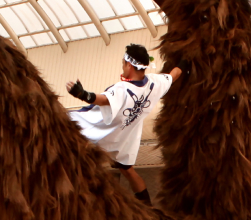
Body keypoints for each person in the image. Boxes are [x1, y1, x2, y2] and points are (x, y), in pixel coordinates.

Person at [64, 44, 181, 202]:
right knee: (128, 171)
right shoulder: (155, 83)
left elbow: (103, 100)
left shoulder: (123, 89)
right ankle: (148, 207)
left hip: (100, 131)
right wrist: (186, 60)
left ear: (129, 65)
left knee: (67, 127)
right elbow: (174, 74)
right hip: (123, 139)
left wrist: (82, 94)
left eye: (123, 63)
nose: (122, 67)